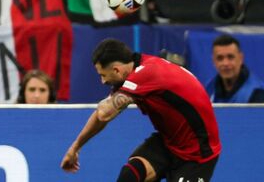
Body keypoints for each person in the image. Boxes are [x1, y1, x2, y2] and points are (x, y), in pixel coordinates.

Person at [61, 39, 221, 182]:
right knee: (129, 176)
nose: (103, 81)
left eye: (103, 75)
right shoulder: (135, 68)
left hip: (199, 152)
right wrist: (76, 146)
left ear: (116, 70)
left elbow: (104, 113)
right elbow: (101, 116)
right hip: (169, 141)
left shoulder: (147, 74)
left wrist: (107, 104)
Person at [206, 34, 264, 103]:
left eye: (230, 57)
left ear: (241, 58)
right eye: (220, 58)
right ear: (213, 61)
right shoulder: (209, 89)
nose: (225, 63)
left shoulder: (257, 93)